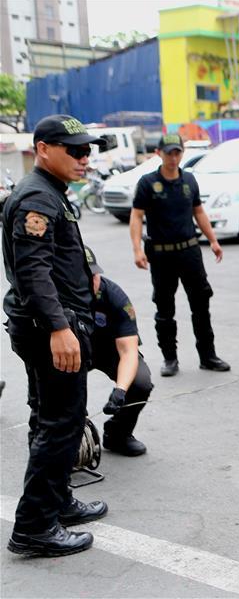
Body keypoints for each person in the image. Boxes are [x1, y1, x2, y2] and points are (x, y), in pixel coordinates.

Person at [3, 114, 107, 557]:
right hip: (52, 328)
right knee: (62, 424)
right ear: (43, 148)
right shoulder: (36, 198)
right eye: (75, 150)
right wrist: (60, 329)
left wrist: (90, 271)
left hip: (52, 324)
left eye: (88, 151)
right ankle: (33, 526)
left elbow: (60, 257)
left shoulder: (51, 193)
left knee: (50, 418)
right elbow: (33, 271)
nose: (85, 158)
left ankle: (57, 500)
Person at [130, 134, 230, 377]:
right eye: (169, 153)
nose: (173, 158)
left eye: (177, 153)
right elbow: (136, 216)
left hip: (190, 252)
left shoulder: (189, 180)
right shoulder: (147, 182)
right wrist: (136, 249)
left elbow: (199, 211)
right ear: (159, 153)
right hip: (162, 256)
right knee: (165, 310)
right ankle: (169, 358)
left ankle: (207, 356)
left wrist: (214, 240)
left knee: (201, 305)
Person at [83, 246, 152, 456]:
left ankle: (118, 434)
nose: (91, 281)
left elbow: (129, 351)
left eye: (94, 275)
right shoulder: (58, 299)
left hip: (107, 350)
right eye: (84, 276)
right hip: (73, 352)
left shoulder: (114, 297)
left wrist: (120, 391)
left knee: (139, 382)